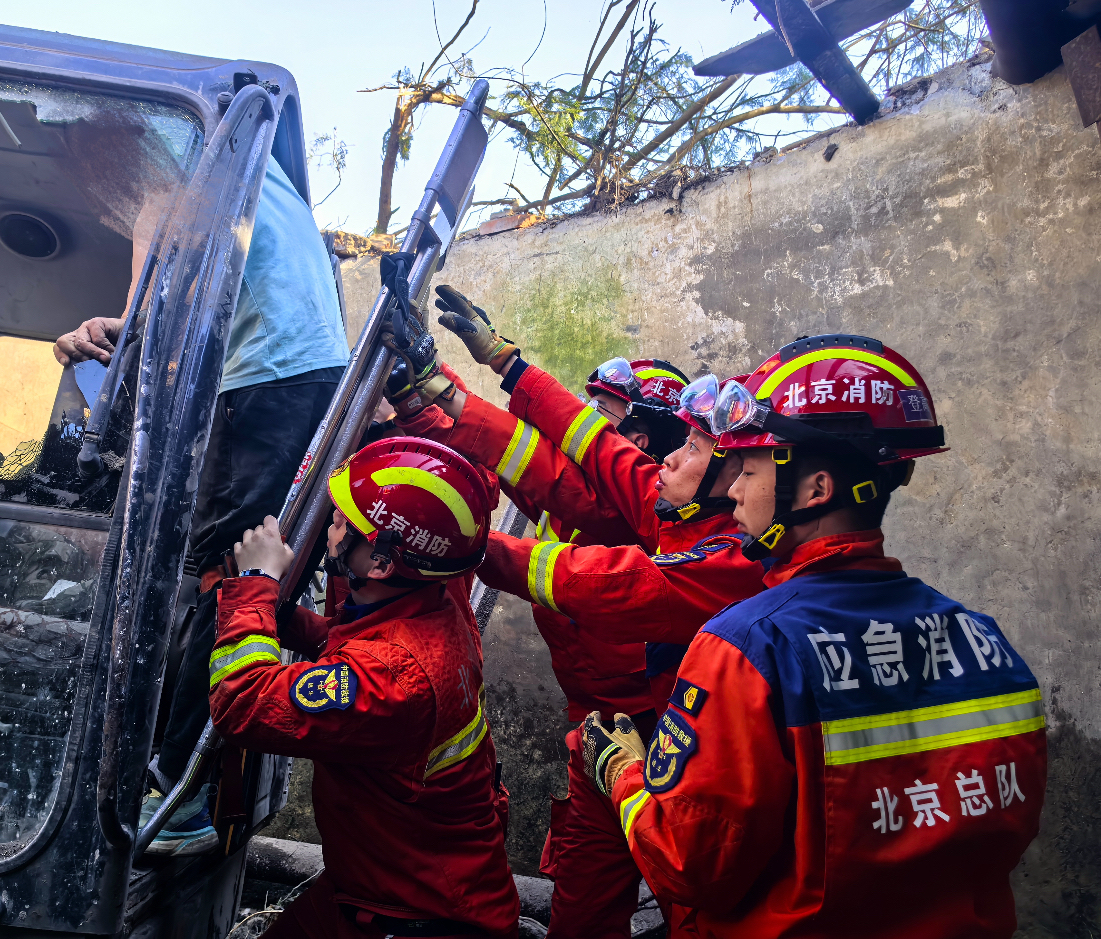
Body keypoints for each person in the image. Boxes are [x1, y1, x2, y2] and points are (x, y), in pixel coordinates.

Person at [587, 335, 1046, 938]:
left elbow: (691, 867)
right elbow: (1005, 827)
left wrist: (622, 774)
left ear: (816, 490)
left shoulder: (745, 648)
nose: (732, 490)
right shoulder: (983, 639)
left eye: (748, 469)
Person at [390, 286, 765, 939]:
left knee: (697, 908)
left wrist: (456, 541)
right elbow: (552, 449)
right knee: (584, 912)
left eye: (687, 448)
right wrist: (448, 385)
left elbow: (595, 574)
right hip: (598, 731)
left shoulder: (693, 542)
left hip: (669, 739)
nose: (664, 457)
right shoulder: (657, 502)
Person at [54, 157, 350, 854]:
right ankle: (176, 772)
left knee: (215, 574)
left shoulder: (176, 148)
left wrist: (112, 329)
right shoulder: (238, 168)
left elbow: (153, 296)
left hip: (273, 373)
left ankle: (175, 789)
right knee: (217, 566)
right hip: (288, 369)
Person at [208, 438, 520, 939]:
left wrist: (255, 582)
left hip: (415, 918)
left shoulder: (396, 677)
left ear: (379, 564)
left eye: (340, 524)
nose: (329, 528)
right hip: (384, 882)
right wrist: (282, 620)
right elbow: (351, 645)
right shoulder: (435, 602)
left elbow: (242, 703)